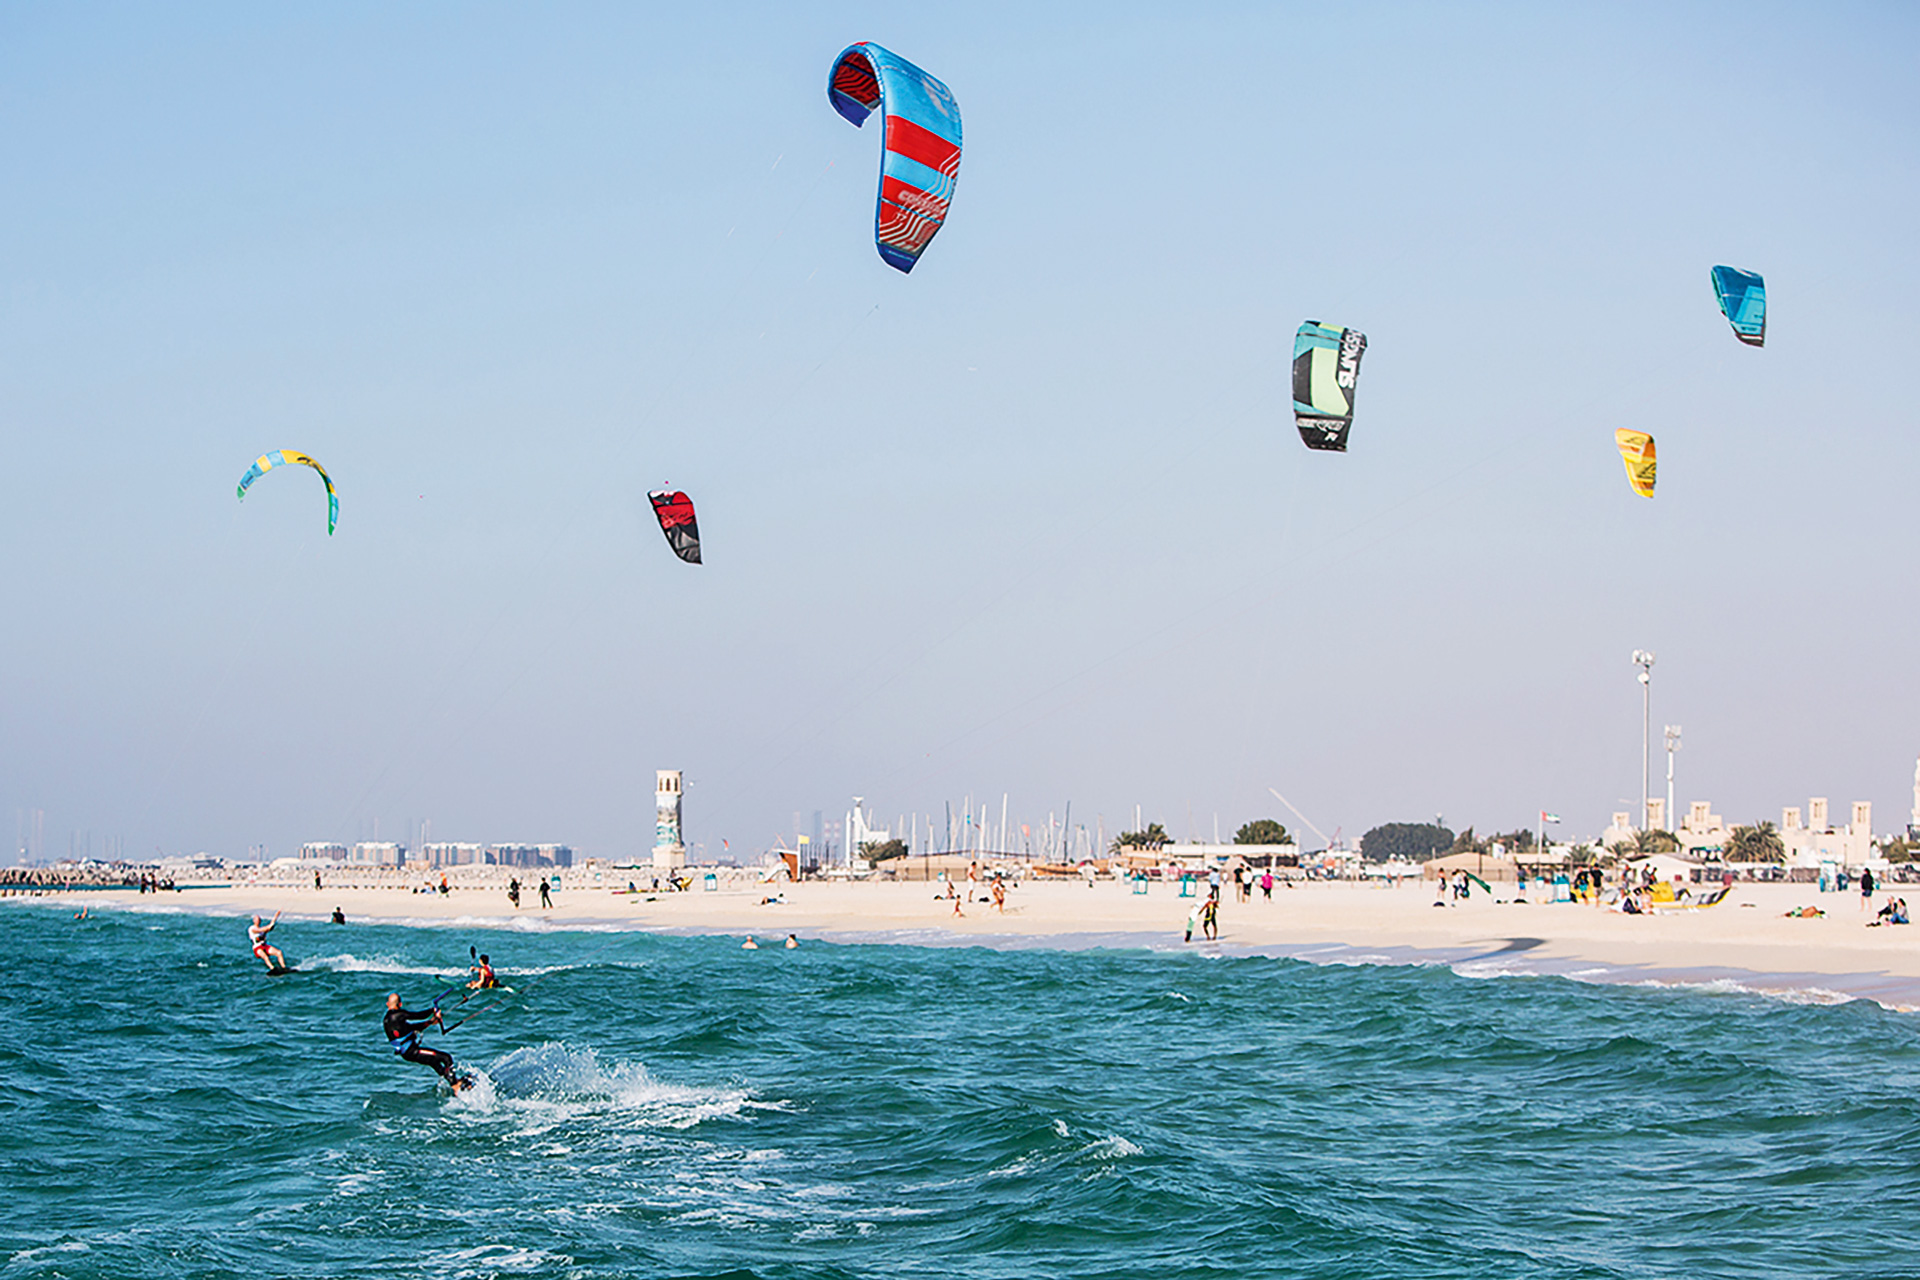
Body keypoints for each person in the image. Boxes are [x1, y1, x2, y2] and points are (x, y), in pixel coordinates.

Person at [384, 993, 467, 1090]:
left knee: (434, 1062)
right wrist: (433, 1010)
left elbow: (413, 1028)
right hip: (412, 1051)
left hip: (407, 1053)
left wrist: (431, 1021)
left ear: (387, 1004)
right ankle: (455, 1085)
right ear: (400, 1005)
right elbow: (418, 1015)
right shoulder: (398, 1015)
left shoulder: (388, 1020)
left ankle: (452, 1081)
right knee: (446, 1058)